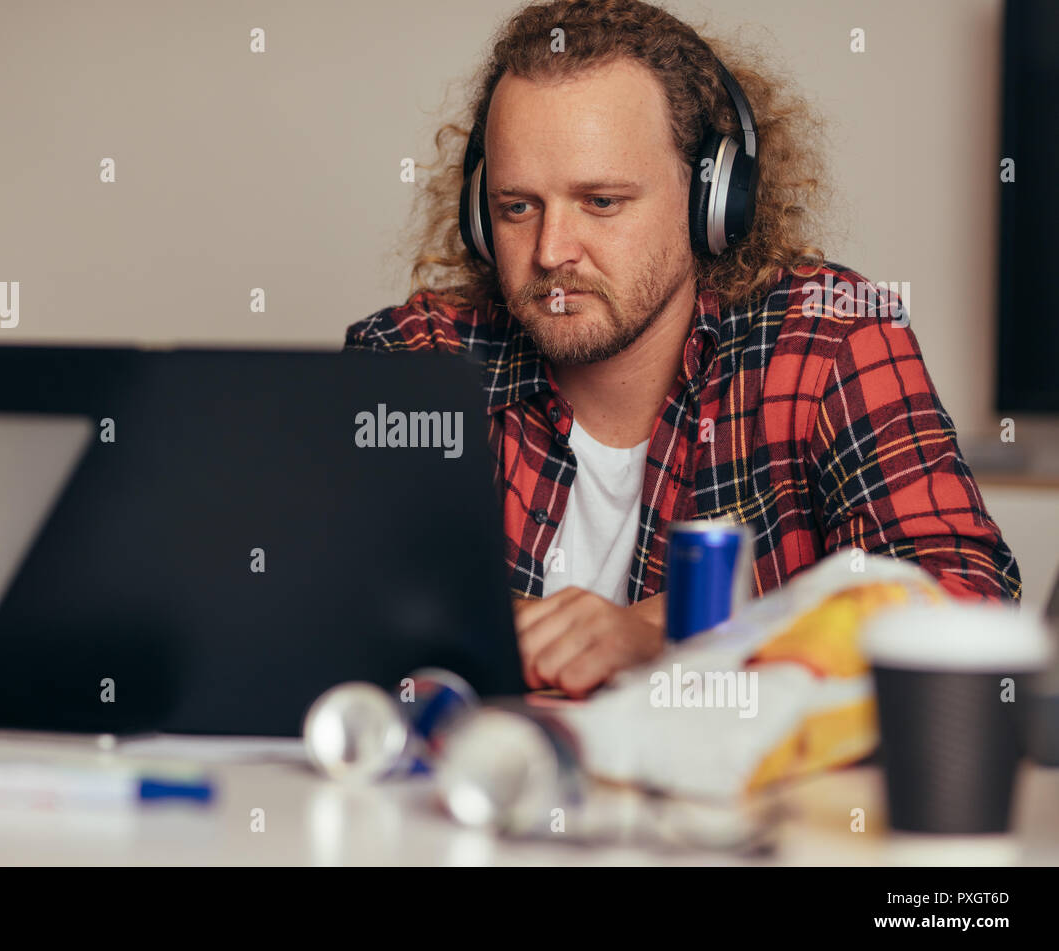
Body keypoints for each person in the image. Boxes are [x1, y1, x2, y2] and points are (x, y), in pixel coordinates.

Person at [343, 0, 1020, 697]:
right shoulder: (414, 359)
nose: (550, 252)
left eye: (601, 202)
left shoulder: (831, 338)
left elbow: (965, 598)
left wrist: (680, 633)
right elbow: (319, 599)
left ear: (713, 203)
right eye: (519, 207)